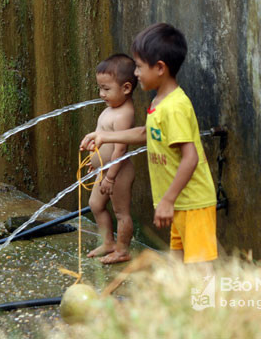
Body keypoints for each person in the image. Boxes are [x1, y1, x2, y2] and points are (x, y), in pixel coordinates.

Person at [81, 23, 217, 265]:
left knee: (199, 267)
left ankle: (204, 303)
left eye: (140, 67)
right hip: (181, 203)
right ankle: (181, 302)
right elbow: (146, 133)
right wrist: (104, 137)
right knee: (178, 262)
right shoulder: (161, 102)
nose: (135, 74)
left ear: (160, 68)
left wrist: (167, 200)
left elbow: (191, 157)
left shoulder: (174, 107)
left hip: (192, 202)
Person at [85, 54, 137, 264]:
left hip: (119, 172)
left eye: (107, 89)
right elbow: (103, 140)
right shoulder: (111, 109)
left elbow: (120, 148)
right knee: (95, 204)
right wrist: (95, 161)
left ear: (126, 88)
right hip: (105, 170)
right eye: (100, 88)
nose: (101, 94)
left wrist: (111, 177)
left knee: (121, 211)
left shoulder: (124, 113)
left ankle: (123, 250)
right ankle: (108, 242)